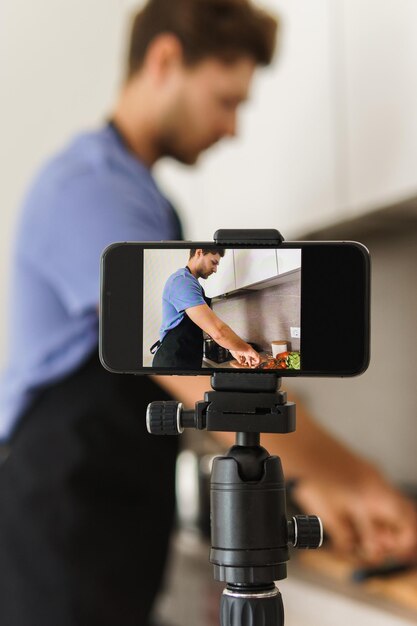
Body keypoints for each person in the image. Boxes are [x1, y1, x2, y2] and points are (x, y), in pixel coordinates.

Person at [0, 1, 415, 625]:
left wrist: (318, 481)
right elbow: (203, 372)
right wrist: (355, 481)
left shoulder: (143, 200)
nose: (233, 128)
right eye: (227, 99)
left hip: (104, 521)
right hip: (60, 524)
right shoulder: (89, 188)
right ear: (166, 60)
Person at [152, 248, 261, 369]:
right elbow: (218, 331)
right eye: (213, 262)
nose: (215, 269)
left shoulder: (193, 284)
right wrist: (246, 348)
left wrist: (232, 347)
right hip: (173, 361)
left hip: (185, 358)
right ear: (199, 252)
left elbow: (206, 326)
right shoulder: (182, 281)